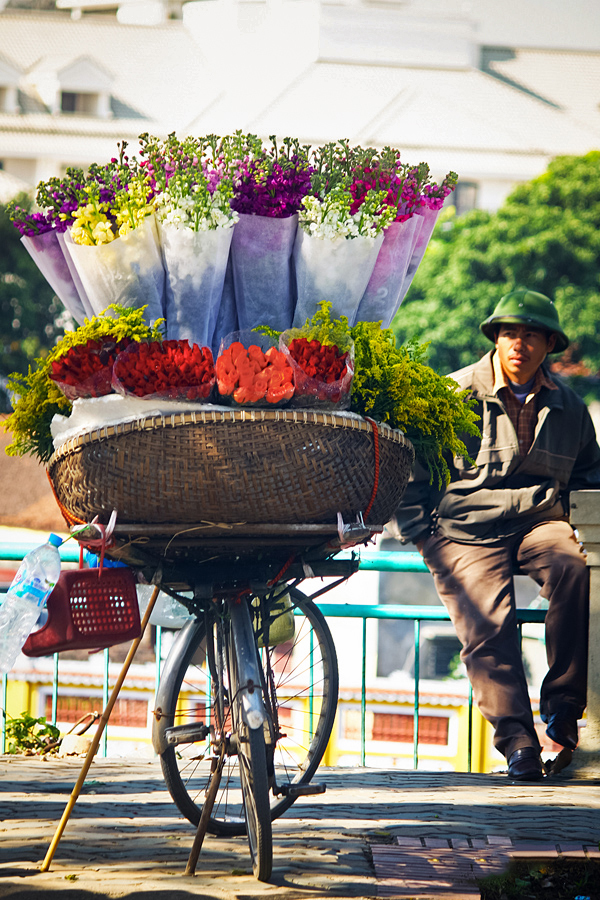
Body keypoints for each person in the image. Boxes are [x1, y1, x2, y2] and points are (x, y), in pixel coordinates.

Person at [391, 289, 600, 781]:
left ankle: (565, 711)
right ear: (495, 339)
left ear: (550, 344)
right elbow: (410, 468)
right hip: (465, 529)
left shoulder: (569, 407)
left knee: (574, 569)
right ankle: (518, 744)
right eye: (509, 333)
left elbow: (589, 475)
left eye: (530, 335)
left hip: (538, 521)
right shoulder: (454, 394)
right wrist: (422, 534)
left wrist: (579, 524)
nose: (518, 344)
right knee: (488, 623)